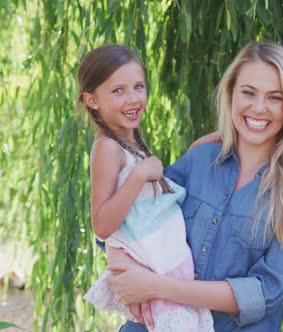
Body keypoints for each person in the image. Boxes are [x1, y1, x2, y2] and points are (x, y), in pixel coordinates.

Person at [107, 41, 283, 331]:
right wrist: (130, 278)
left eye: (275, 97)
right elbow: (132, 224)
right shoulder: (200, 159)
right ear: (231, 94)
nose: (259, 107)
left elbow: (264, 292)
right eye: (248, 92)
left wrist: (156, 286)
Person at [77, 44, 213, 331]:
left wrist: (209, 143)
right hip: (151, 266)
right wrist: (138, 175)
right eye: (118, 91)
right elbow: (102, 225)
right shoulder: (107, 148)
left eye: (138, 87)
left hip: (163, 264)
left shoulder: (129, 141)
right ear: (91, 100)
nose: (133, 98)